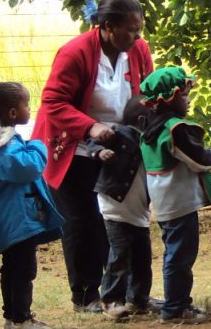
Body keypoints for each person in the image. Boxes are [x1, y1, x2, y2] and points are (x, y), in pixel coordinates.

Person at [33, 0, 153, 312]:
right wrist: (91, 127)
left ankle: (125, 293)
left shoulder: (138, 49)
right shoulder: (76, 52)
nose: (137, 36)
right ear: (107, 27)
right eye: (131, 29)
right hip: (73, 147)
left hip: (119, 149)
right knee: (83, 223)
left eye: (139, 28)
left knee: (121, 222)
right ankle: (86, 296)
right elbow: (53, 102)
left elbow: (147, 93)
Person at [139, 66, 211, 325]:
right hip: (179, 201)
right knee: (180, 256)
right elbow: (201, 160)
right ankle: (176, 307)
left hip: (163, 199)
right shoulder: (175, 128)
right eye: (185, 96)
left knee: (174, 252)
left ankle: (176, 303)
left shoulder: (148, 126)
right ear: (171, 98)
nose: (188, 101)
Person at [0, 79, 64, 329]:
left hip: (15, 218)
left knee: (13, 269)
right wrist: (39, 146)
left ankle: (13, 316)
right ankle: (20, 318)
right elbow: (24, 168)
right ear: (13, 112)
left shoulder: (9, 143)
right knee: (22, 270)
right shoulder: (6, 145)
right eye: (27, 104)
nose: (31, 109)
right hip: (15, 221)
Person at [88, 97, 156, 320]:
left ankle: (138, 299)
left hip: (138, 210)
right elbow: (92, 142)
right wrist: (99, 152)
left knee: (142, 258)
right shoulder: (118, 133)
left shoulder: (151, 141)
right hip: (115, 206)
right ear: (141, 119)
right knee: (119, 255)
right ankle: (111, 300)